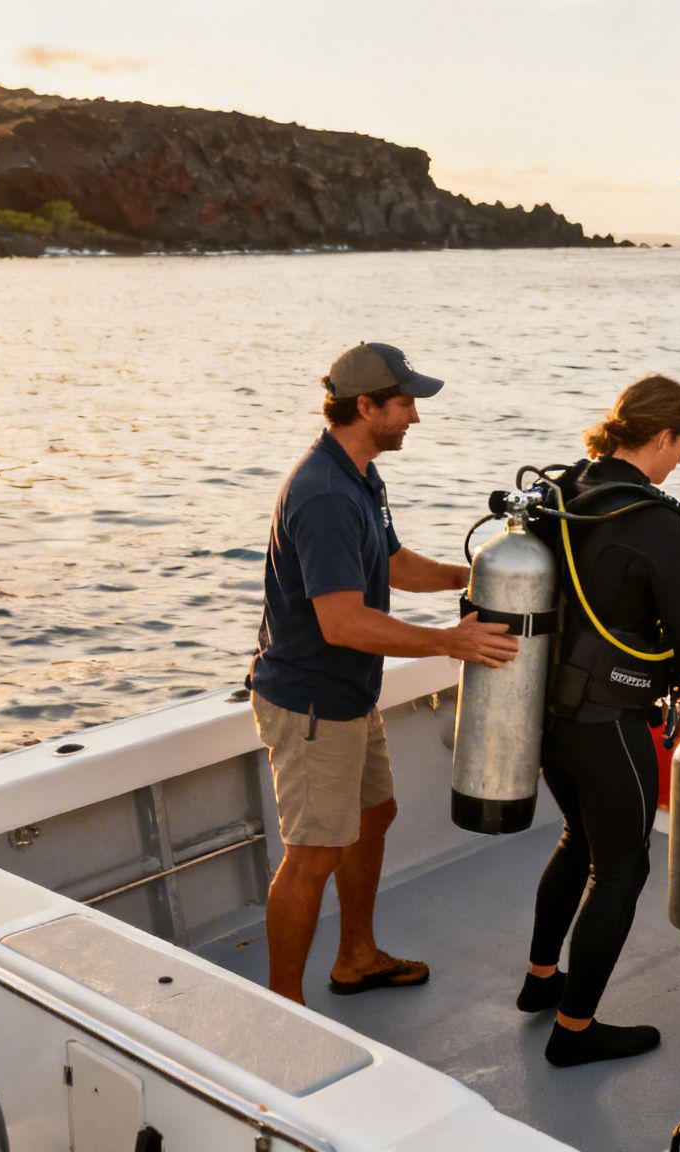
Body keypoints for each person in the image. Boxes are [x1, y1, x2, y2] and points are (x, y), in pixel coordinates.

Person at [249, 341, 520, 1005]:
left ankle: (357, 958)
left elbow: (393, 565)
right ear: (365, 406)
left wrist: (477, 576)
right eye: (404, 405)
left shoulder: (360, 476)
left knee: (376, 814)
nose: (415, 418)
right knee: (312, 855)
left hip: (349, 695)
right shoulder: (324, 494)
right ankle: (285, 1011)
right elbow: (342, 622)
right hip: (313, 704)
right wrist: (450, 642)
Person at [518, 375, 680, 1068]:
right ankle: (575, 1031)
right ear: (661, 436)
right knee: (621, 867)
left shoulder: (570, 490)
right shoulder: (651, 520)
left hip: (544, 711)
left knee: (578, 839)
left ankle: (540, 980)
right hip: (606, 721)